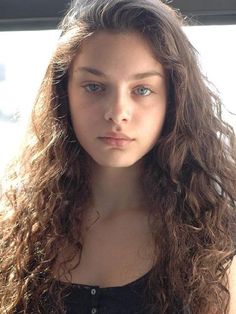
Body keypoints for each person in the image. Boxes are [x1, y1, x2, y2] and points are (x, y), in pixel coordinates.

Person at [0, 0, 236, 313]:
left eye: (142, 90)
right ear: (63, 92)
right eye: (94, 86)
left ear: (175, 100)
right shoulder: (15, 225)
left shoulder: (216, 235)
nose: (117, 113)